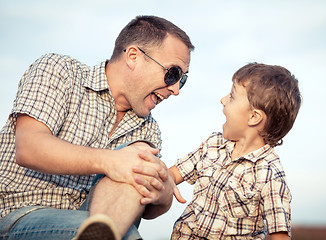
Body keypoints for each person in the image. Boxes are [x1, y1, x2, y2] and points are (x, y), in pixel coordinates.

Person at [0, 15, 194, 240]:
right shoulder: (60, 71)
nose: (176, 89)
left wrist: (163, 194)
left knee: (135, 162)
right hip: (19, 214)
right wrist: (112, 161)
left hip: (94, 221)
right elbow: (29, 147)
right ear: (133, 57)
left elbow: (148, 206)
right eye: (173, 74)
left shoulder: (148, 130)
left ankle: (100, 233)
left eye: (182, 80)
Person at [168, 63, 301, 239]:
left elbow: (280, 235)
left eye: (231, 96)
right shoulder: (213, 144)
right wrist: (166, 180)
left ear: (253, 117)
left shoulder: (270, 173)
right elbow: (172, 174)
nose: (223, 99)